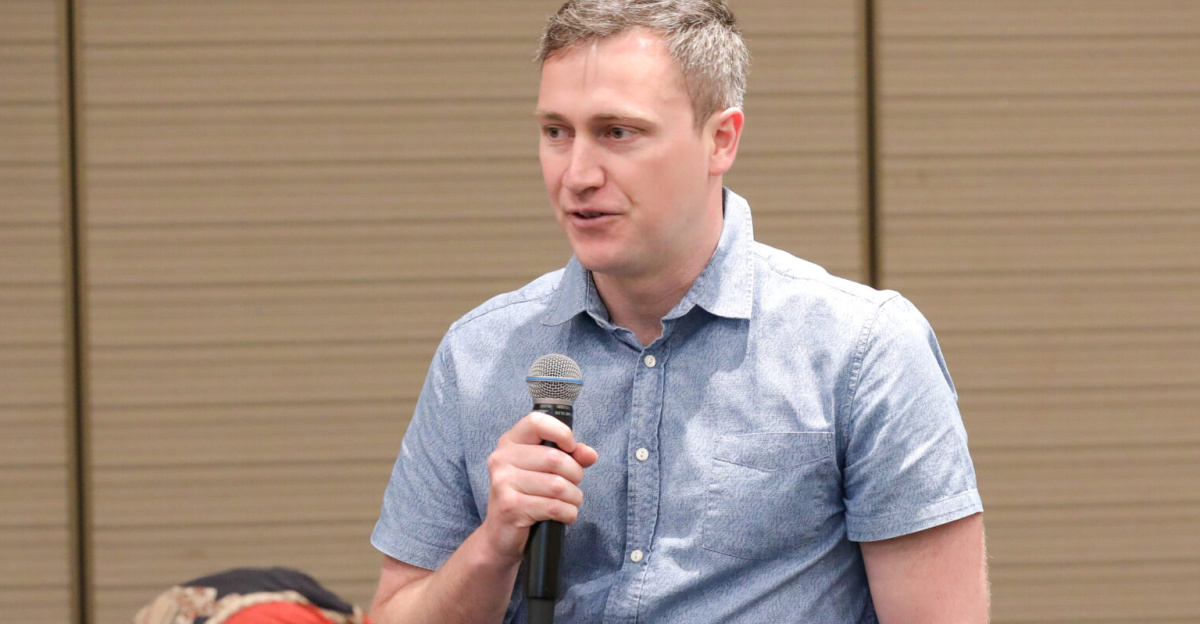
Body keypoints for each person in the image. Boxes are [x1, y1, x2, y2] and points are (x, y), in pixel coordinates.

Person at [369, 1, 988, 622]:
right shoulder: (479, 355)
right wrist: (493, 546)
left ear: (721, 140)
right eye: (557, 131)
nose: (577, 174)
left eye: (618, 132)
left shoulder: (861, 350)